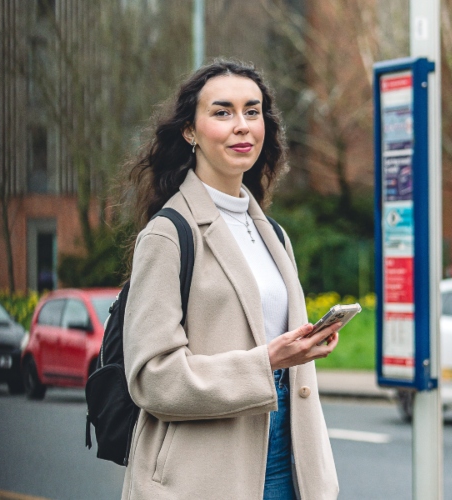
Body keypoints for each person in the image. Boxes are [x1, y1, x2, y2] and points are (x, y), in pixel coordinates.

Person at [121, 59, 340, 500]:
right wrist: (267, 363)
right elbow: (152, 377)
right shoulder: (169, 234)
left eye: (252, 111)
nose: (242, 126)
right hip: (202, 478)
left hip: (289, 465)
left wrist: (303, 346)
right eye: (222, 112)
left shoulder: (274, 235)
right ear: (190, 131)